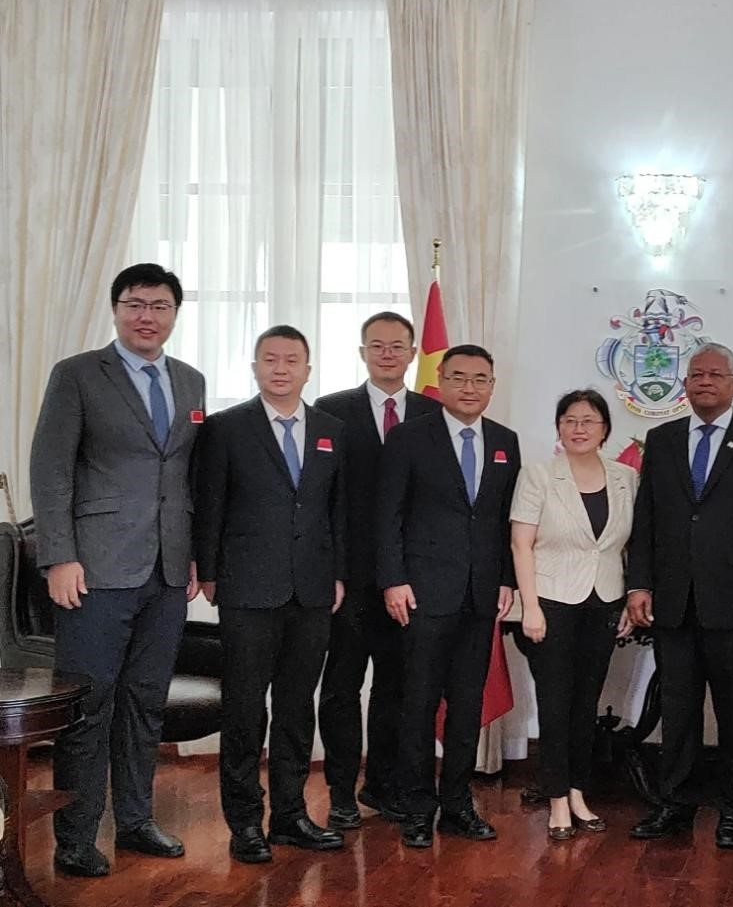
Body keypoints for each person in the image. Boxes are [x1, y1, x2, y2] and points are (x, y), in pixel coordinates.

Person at [29, 263, 204, 877]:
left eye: (159, 306)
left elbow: (186, 476)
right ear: (115, 309)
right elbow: (50, 469)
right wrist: (58, 556)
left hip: (166, 572)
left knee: (145, 702)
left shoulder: (191, 381)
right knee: (88, 705)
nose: (146, 316)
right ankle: (75, 838)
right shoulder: (77, 374)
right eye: (134, 304)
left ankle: (135, 821)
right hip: (94, 569)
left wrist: (192, 555)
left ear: (174, 314)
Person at [626, 342, 733, 850]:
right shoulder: (661, 439)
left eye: (716, 375)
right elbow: (646, 518)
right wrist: (639, 583)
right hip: (673, 600)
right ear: (685, 384)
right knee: (678, 708)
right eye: (697, 374)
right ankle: (674, 802)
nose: (705, 382)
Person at [195, 325, 348, 864]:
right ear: (255, 367)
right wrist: (208, 571)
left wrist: (338, 573)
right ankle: (244, 822)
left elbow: (337, 510)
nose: (281, 369)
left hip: (312, 589)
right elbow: (210, 502)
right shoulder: (226, 427)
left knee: (295, 707)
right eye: (270, 359)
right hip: (246, 586)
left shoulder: (331, 430)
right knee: (243, 708)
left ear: (308, 369)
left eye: (291, 360)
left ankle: (289, 815)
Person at [378, 344, 521, 849]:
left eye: (480, 379)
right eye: (459, 377)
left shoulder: (505, 441)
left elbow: (504, 519)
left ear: (492, 385)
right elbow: (388, 514)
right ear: (440, 380)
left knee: (466, 704)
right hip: (421, 593)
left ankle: (458, 804)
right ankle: (417, 808)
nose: (469, 388)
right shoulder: (409, 437)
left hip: (480, 596)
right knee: (418, 704)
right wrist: (393, 579)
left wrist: (506, 579)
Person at [314, 312, 439, 828]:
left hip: (412, 579)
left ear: (413, 353)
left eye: (397, 346)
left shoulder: (434, 413)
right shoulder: (331, 411)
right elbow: (323, 498)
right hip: (350, 578)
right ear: (362, 352)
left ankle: (383, 785)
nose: (387, 354)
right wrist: (333, 571)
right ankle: (341, 791)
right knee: (342, 687)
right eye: (377, 345)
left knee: (398, 687)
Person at [510, 389, 636, 840]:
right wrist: (530, 607)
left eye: (588, 421)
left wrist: (627, 600)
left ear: (605, 430)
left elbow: (628, 546)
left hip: (604, 602)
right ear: (559, 428)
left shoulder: (625, 477)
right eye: (569, 420)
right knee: (555, 703)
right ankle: (557, 799)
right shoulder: (539, 475)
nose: (579, 428)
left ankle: (579, 792)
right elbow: (520, 544)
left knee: (586, 703)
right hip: (550, 603)